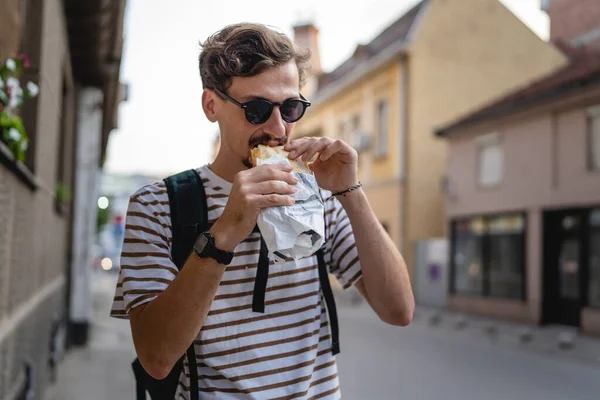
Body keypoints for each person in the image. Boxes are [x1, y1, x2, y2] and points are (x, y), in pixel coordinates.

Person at [111, 22, 414, 399]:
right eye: (256, 109)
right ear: (211, 105)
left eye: (289, 107)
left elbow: (398, 311)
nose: (278, 128)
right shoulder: (156, 206)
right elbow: (156, 357)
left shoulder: (317, 195)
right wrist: (225, 231)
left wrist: (349, 191)